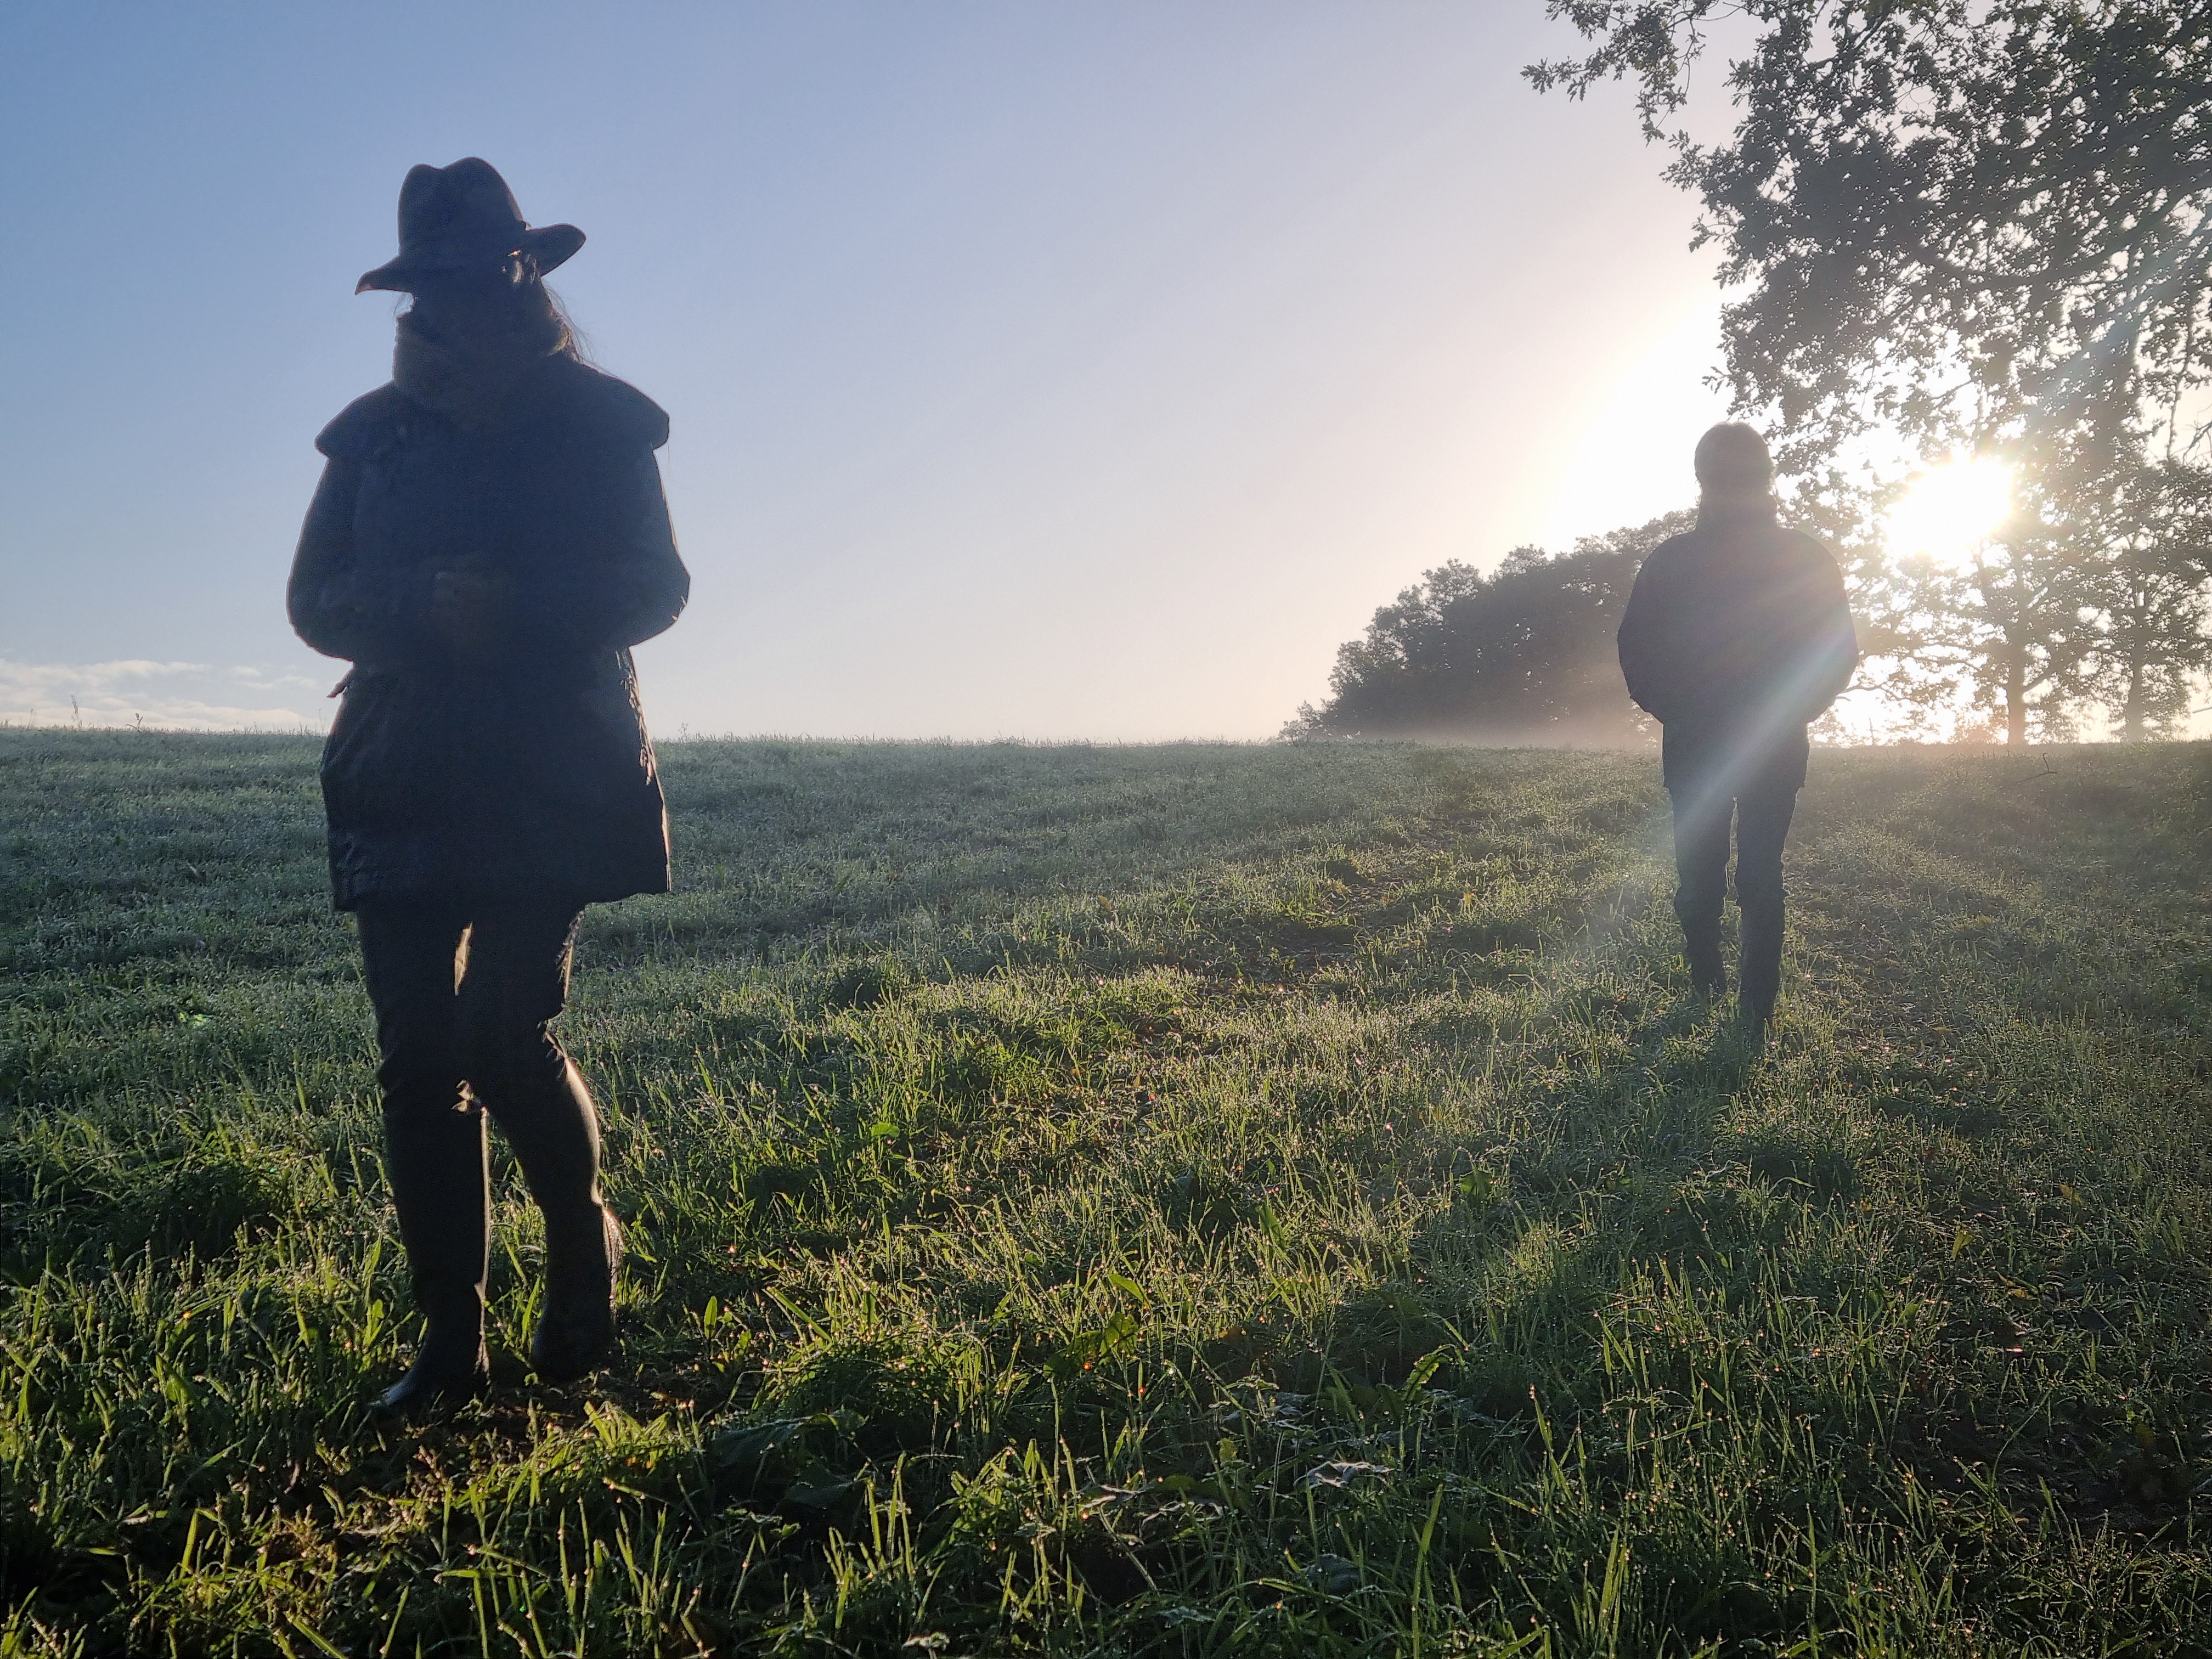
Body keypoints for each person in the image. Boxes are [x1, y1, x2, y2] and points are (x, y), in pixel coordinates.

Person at [288, 159, 690, 1413]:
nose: (472, 296)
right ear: (412, 295)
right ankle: (449, 1338)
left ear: (527, 275)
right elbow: (314, 602)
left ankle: (581, 1235)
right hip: (401, 772)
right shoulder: (368, 438)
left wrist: (518, 616)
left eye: (496, 270)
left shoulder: (603, 424)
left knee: (499, 1026)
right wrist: (416, 613)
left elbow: (656, 587)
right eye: (443, 280)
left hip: (551, 772)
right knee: (418, 1061)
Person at [1616, 423, 1857, 1024]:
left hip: (1756, 745)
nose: (1732, 484)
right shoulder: (1673, 562)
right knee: (1724, 880)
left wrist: (1789, 712)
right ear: (1704, 479)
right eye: (1724, 474)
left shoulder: (1802, 558)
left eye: (1740, 473)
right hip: (1710, 744)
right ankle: (1714, 992)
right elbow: (1637, 653)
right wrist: (1686, 711)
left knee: (1744, 878)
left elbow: (1835, 651)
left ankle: (1752, 1013)